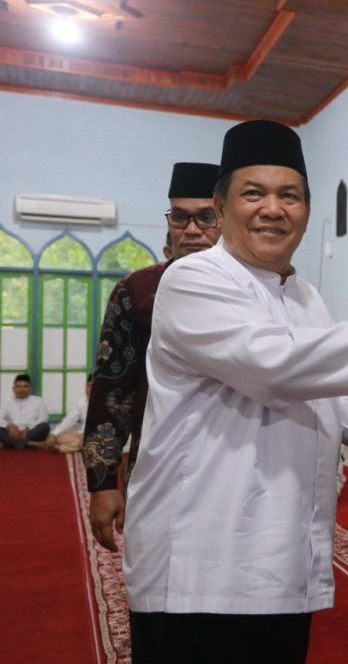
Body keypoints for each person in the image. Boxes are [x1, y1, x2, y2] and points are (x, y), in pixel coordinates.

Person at [123, 120, 348, 664]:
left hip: (281, 557)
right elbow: (272, 365)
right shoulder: (194, 280)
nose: (273, 209)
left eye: (289, 196)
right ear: (221, 207)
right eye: (253, 193)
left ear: (307, 211)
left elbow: (316, 385)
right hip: (199, 560)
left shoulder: (306, 296)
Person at [82, 161, 221, 553]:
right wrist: (103, 483)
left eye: (206, 217)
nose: (191, 229)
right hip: (157, 463)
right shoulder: (137, 291)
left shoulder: (257, 290)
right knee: (157, 571)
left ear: (227, 219)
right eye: (180, 216)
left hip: (236, 466)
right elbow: (112, 391)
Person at [0, 374, 50, 450]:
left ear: (30, 388)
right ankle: (31, 444)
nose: (22, 389)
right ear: (13, 389)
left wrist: (28, 429)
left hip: (31, 432)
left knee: (45, 426)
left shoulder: (39, 401)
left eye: (25, 386)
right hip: (13, 433)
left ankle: (10, 444)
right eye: (19, 386)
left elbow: (43, 419)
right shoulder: (5, 402)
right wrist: (9, 425)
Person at [46, 372, 92, 453]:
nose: (90, 389)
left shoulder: (106, 404)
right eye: (88, 386)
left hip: (97, 437)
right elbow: (69, 420)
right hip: (81, 435)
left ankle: (61, 448)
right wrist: (53, 434)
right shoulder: (81, 403)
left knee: (88, 442)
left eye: (93, 386)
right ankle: (76, 445)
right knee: (59, 437)